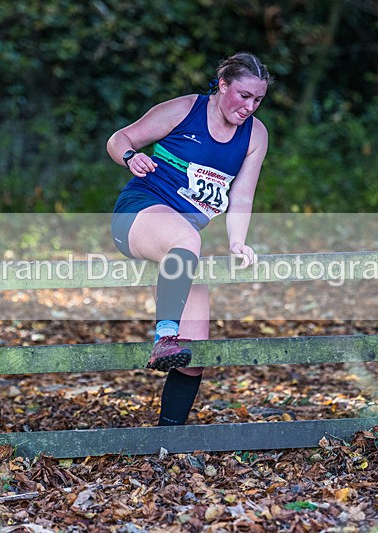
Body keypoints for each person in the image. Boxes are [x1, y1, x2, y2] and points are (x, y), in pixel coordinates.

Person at [106, 52, 271, 426]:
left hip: (182, 245)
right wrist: (131, 157)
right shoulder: (184, 109)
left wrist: (236, 242)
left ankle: (167, 439)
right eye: (243, 95)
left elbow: (241, 195)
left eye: (258, 99)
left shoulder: (255, 135)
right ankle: (163, 336)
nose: (249, 107)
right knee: (186, 239)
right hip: (139, 213)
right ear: (223, 84)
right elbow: (120, 138)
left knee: (194, 351)